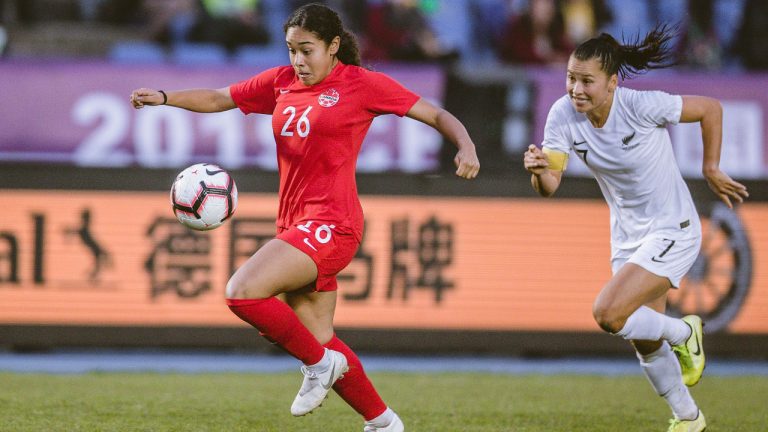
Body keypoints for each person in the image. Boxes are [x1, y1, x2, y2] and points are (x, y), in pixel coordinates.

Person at [130, 3, 480, 431]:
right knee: (319, 337)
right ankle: (383, 422)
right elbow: (220, 97)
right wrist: (165, 98)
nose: (298, 60)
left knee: (242, 292)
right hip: (295, 224)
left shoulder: (361, 84)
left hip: (333, 223)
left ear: (333, 47)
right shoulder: (281, 83)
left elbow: (436, 113)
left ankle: (319, 366)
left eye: (307, 50)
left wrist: (465, 144)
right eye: (292, 49)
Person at [523, 25, 748, 432]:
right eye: (571, 78)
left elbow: (710, 108)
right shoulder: (561, 115)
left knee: (608, 313)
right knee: (643, 340)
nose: (576, 89)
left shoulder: (640, 106)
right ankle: (688, 418)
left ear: (611, 84)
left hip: (673, 229)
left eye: (587, 81)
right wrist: (539, 171)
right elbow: (550, 186)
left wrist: (710, 167)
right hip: (628, 237)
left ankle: (685, 331)